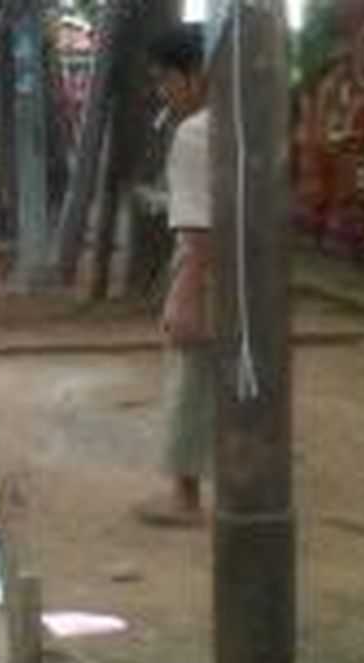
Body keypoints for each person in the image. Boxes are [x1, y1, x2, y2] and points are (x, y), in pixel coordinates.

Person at [135, 24, 215, 528]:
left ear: (195, 73)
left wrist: (181, 298)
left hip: (203, 268)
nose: (162, 92)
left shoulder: (193, 133)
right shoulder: (245, 121)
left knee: (191, 382)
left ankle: (184, 499)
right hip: (249, 275)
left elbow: (198, 227)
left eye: (165, 80)